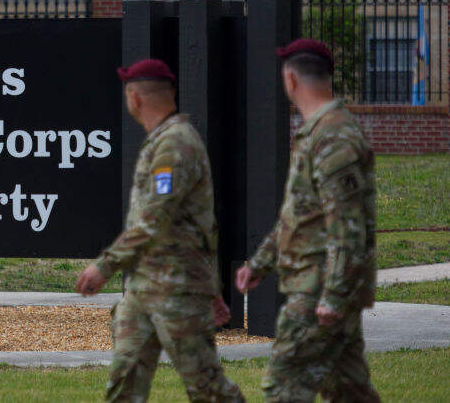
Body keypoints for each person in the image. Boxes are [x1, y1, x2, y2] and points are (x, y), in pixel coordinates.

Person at [76, 58, 244, 403]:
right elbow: (200, 224)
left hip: (177, 289)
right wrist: (213, 287)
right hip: (143, 288)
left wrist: (104, 266)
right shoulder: (161, 142)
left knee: (207, 388)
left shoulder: (175, 145)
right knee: (124, 385)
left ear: (135, 97)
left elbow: (155, 219)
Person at [236, 39, 380, 402]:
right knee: (349, 391)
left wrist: (332, 295)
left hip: (318, 288)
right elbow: (299, 215)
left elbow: (348, 226)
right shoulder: (317, 133)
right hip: (320, 284)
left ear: (291, 79)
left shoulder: (333, 137)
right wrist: (260, 264)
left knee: (283, 388)